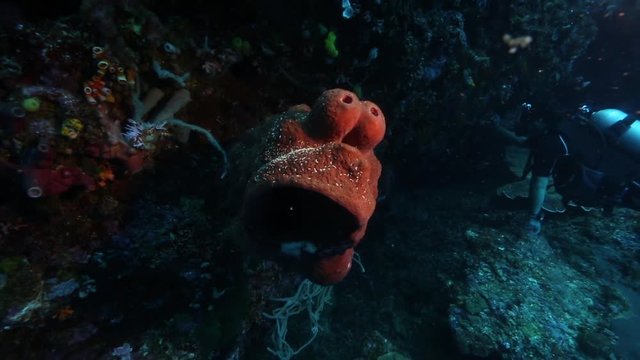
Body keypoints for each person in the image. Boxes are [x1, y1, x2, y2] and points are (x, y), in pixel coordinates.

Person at [497, 105, 640, 235]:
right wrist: (495, 126)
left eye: (530, 122)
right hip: (623, 173)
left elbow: (539, 183)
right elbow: (522, 142)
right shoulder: (568, 127)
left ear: (540, 121)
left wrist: (534, 217)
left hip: (617, 183)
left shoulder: (548, 142)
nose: (527, 127)